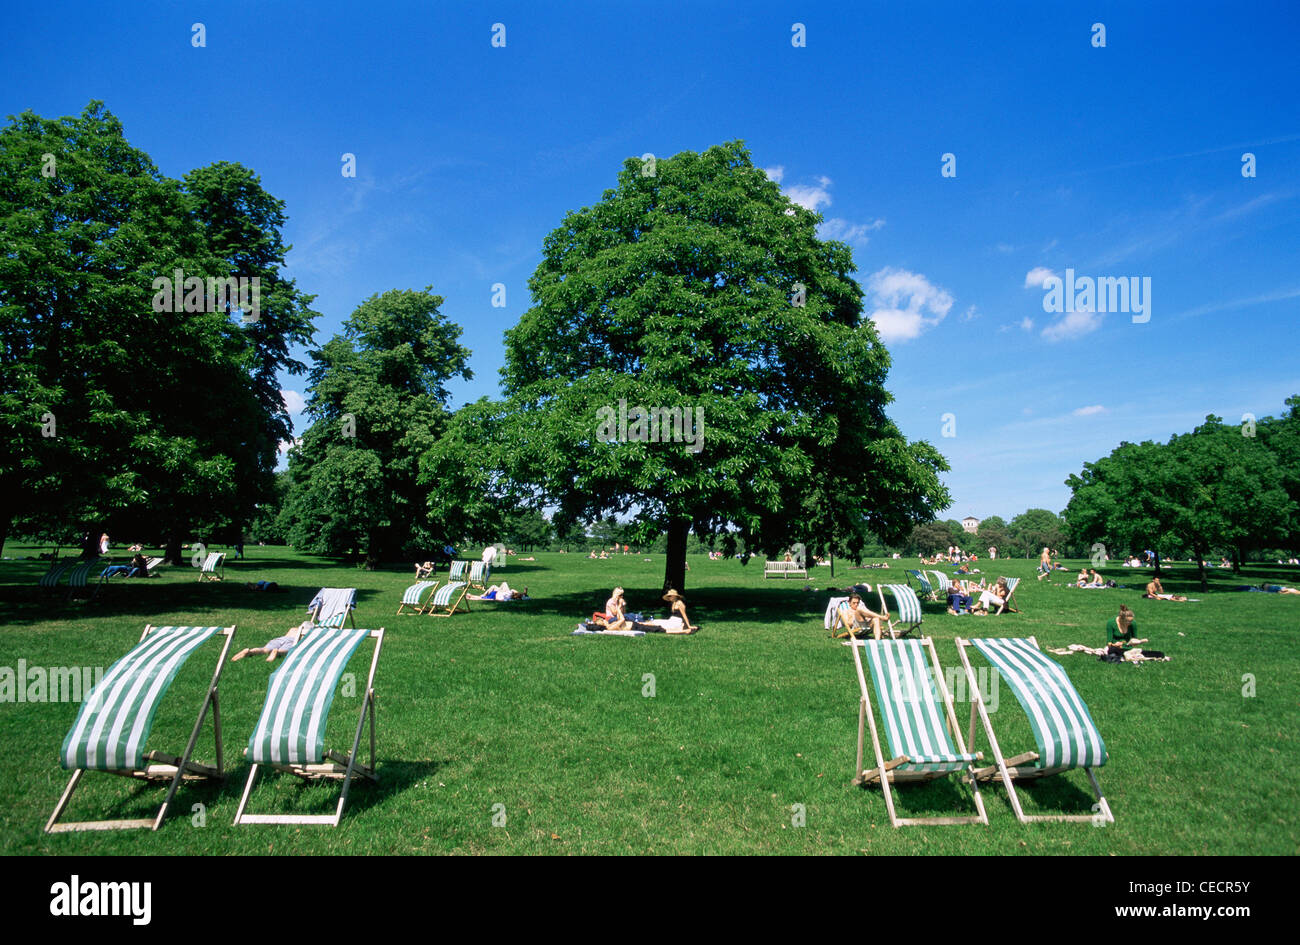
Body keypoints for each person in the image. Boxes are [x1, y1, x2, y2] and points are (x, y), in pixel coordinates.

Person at [232, 621, 312, 663]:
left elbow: (286, 636)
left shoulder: (293, 629)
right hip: (292, 641)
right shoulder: (304, 634)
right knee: (285, 651)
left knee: (264, 649)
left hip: (280, 639)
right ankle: (277, 652)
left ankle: (250, 651)